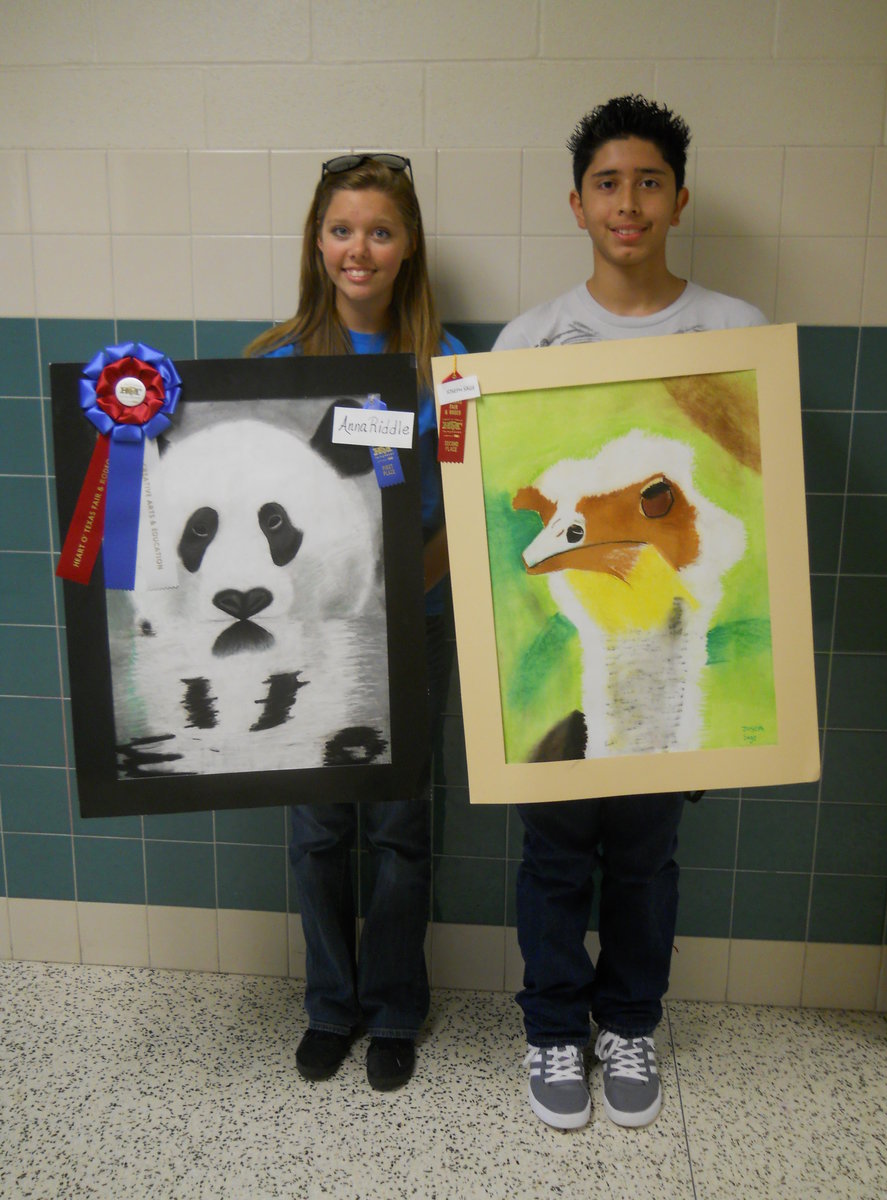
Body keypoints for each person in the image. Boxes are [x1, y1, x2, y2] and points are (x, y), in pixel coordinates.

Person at [493, 95, 766, 1131]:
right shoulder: (532, 337)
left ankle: (630, 1020)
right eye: (608, 183)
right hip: (562, 664)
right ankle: (556, 1030)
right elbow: (500, 501)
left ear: (679, 197)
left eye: (649, 181)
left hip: (675, 664)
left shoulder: (735, 331)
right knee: (556, 856)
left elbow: (752, 500)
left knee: (646, 858)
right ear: (576, 203)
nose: (628, 202)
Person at [247, 154, 465, 1091]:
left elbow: (463, 505)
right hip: (306, 640)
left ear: (408, 243)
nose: (359, 249)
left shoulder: (444, 369)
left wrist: (396, 596)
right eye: (342, 230)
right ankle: (330, 1006)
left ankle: (394, 1011)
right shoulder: (271, 364)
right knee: (321, 830)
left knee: (401, 830)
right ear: (317, 241)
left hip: (410, 631)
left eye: (380, 230)